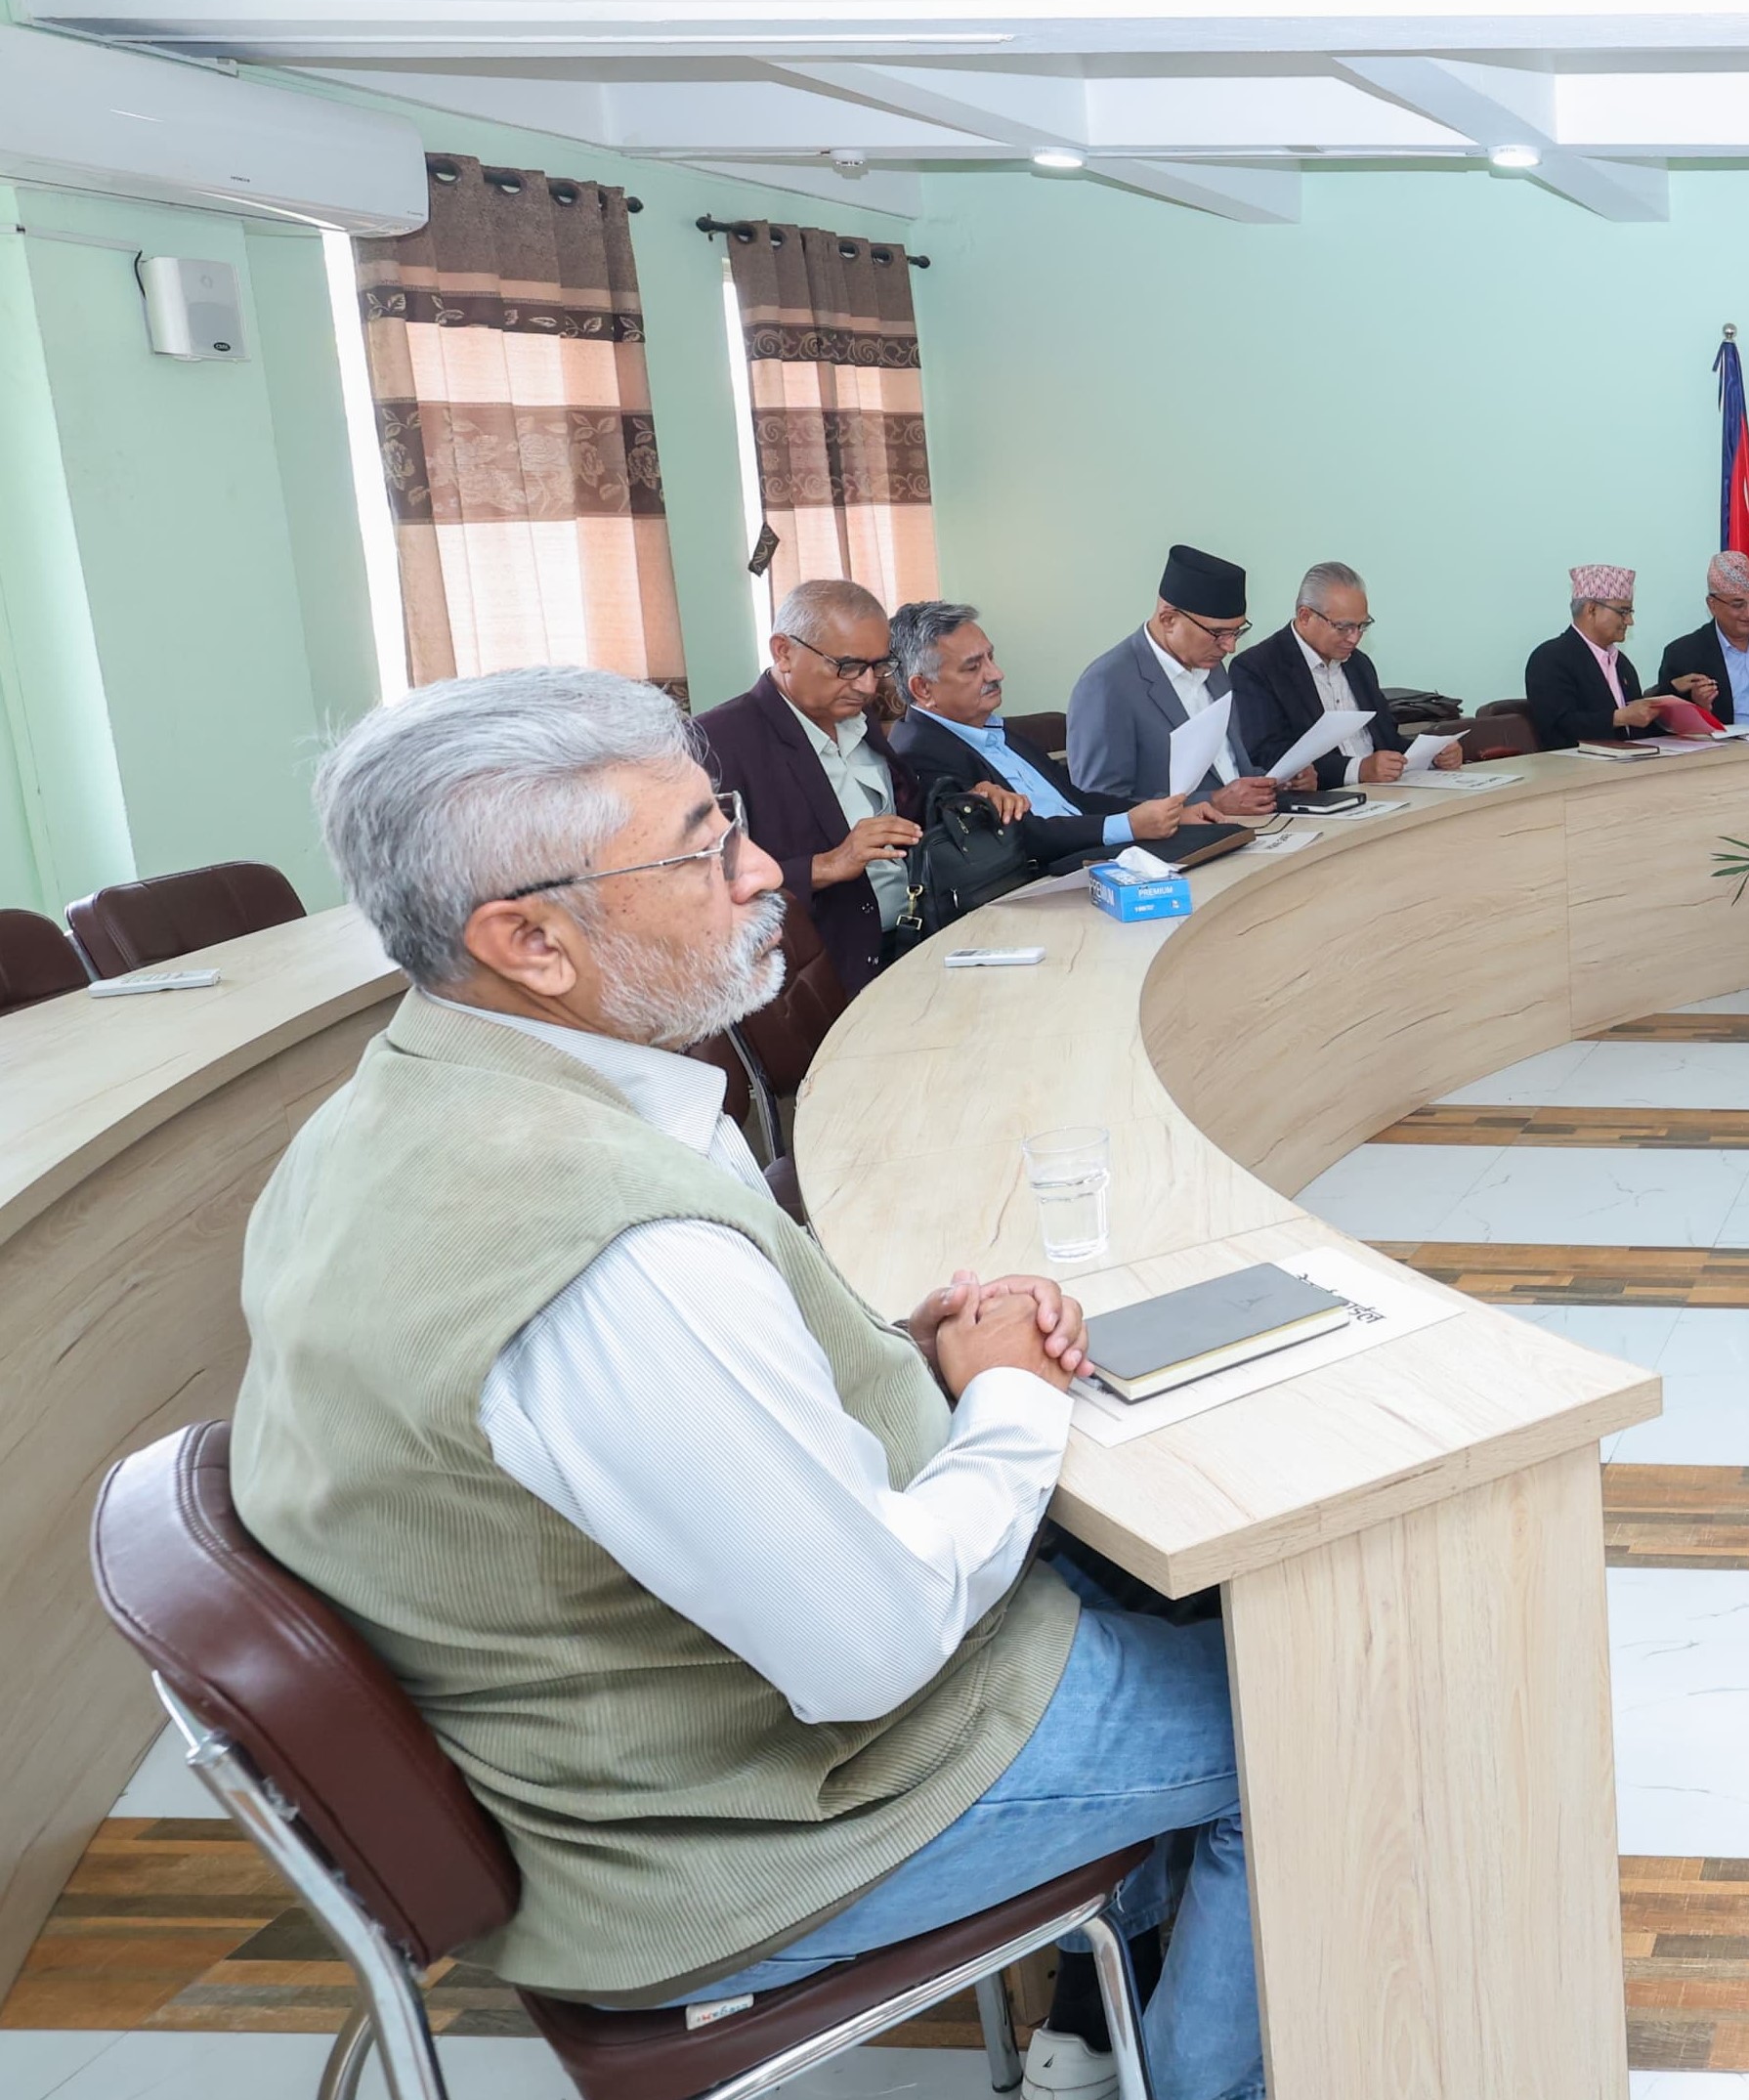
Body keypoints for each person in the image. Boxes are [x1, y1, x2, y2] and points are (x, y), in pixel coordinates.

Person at [240, 668, 1261, 2100]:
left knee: (1182, 1589)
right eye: (704, 850)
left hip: (626, 1744)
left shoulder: (395, 1110)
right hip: (737, 1827)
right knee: (1316, 1704)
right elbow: (873, 1649)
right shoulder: (615, 1252)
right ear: (528, 939)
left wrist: (903, 1353)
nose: (768, 870)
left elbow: (645, 1426)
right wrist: (1012, 1395)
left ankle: (1098, 2025)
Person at [690, 578, 929, 998]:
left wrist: (966, 800)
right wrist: (828, 865)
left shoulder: (859, 721)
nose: (868, 686)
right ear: (784, 652)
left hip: (916, 945)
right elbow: (702, 883)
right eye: (848, 666)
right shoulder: (717, 743)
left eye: (878, 666)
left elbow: (906, 820)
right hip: (823, 979)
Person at [885, 602, 1218, 875]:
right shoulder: (919, 753)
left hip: (1095, 855)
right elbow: (1011, 839)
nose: (996, 673)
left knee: (1222, 848)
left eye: (991, 657)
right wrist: (1128, 826)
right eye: (973, 668)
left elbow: (1076, 800)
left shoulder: (996, 728)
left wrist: (1166, 815)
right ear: (923, 688)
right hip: (1044, 881)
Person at [1066, 544, 1281, 818]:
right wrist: (1213, 802)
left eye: (1237, 633)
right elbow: (1098, 805)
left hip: (1250, 826)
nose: (1230, 647)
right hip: (1177, 841)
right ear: (1168, 619)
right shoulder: (1106, 684)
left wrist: (1273, 781)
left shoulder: (1213, 667)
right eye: (1218, 634)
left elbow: (1228, 769)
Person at [1222, 561, 1467, 787]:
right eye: (1344, 627)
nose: (1354, 638)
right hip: (1321, 801)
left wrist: (1431, 755)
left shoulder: (1359, 664)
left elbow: (1386, 742)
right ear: (1305, 616)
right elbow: (1267, 755)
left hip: (1385, 795)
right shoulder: (1257, 668)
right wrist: (1357, 770)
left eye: (1362, 626)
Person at [1525, 564, 1691, 748]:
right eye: (1623, 612)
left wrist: (1673, 693)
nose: (1629, 621)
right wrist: (1618, 717)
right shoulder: (1549, 658)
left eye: (1630, 612)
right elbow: (1559, 725)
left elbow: (1639, 730)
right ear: (1591, 609)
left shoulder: (1622, 664)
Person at [1654, 550, 1749, 730]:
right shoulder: (1684, 653)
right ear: (1712, 605)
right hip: (1727, 745)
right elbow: (1663, 722)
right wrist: (1699, 706)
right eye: (1738, 605)